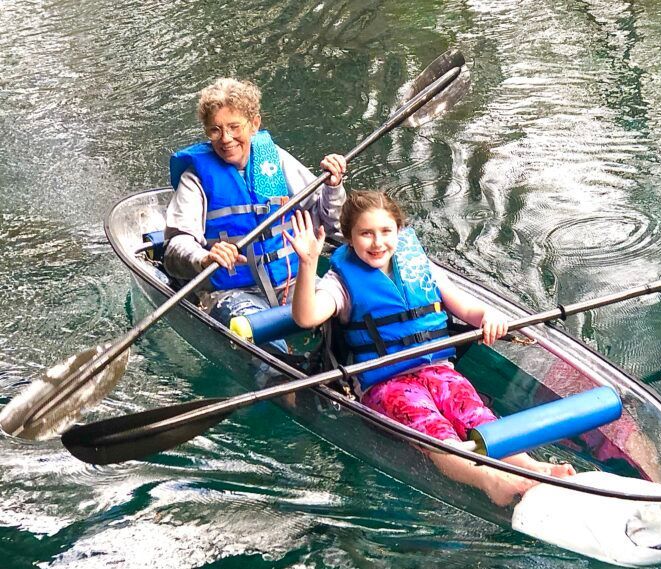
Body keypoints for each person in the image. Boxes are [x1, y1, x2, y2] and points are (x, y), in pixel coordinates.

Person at [287, 190, 575, 506]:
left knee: (478, 416)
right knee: (436, 433)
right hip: (386, 384)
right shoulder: (339, 282)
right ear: (350, 238)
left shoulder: (417, 265)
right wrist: (307, 264)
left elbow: (468, 310)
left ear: (398, 230)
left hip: (437, 370)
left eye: (386, 231)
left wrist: (488, 316)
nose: (377, 242)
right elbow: (306, 316)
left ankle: (532, 468)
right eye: (366, 234)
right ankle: (490, 480)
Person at [163, 77, 348, 348]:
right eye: (215, 130)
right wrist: (204, 257)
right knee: (268, 347)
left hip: (293, 281)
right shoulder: (196, 179)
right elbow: (175, 247)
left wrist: (334, 189)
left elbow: (335, 228)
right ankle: (284, 384)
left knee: (352, 314)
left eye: (234, 127)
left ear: (254, 124)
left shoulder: (276, 162)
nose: (226, 139)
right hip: (232, 291)